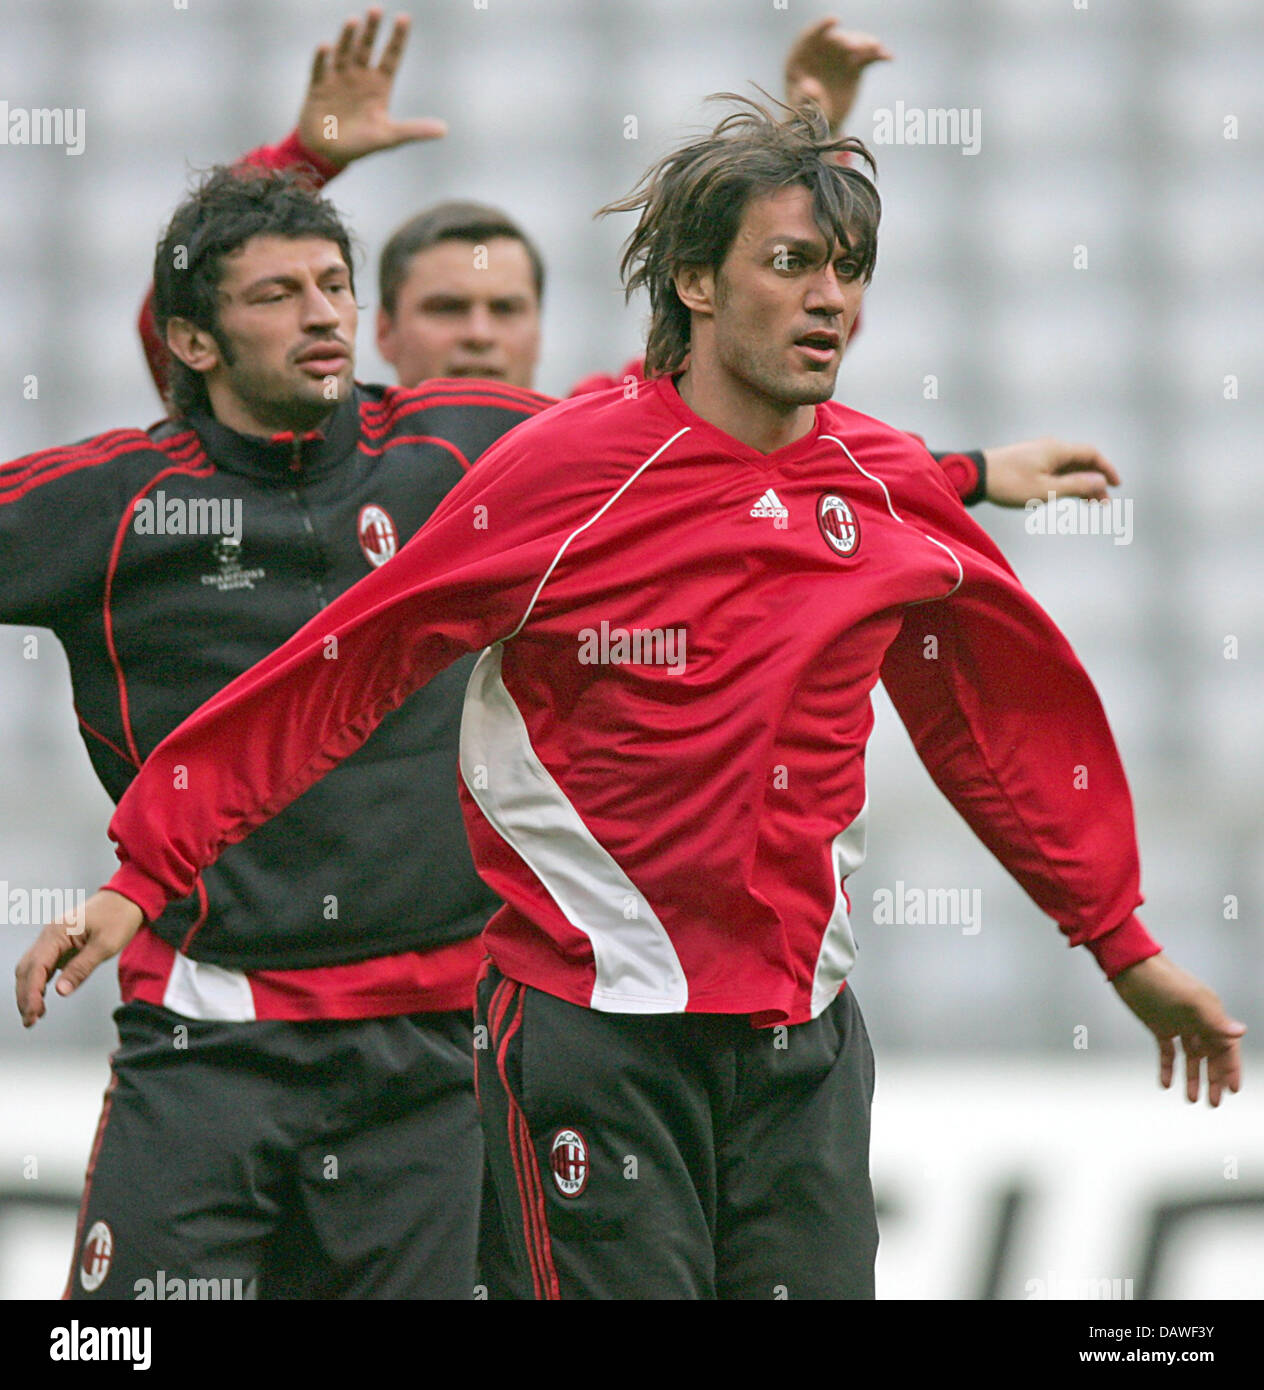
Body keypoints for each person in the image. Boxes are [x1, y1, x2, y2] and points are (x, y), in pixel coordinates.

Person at [17, 98, 1244, 1300]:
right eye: (793, 263)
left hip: (802, 1045)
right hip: (590, 1035)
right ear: (699, 284)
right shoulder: (564, 472)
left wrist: (1119, 941)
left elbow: (995, 719)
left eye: (851, 269)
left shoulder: (880, 485)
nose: (832, 297)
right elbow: (355, 657)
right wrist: (146, 866)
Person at [5, 166, 550, 1299]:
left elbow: (691, 454)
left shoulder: (454, 452)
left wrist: (963, 476)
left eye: (335, 285)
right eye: (276, 294)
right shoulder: (113, 506)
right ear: (192, 342)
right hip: (208, 1042)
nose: (320, 313)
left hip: (437, 1052)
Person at [136, 8, 1120, 513]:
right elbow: (181, 327)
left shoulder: (590, 445)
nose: (480, 330)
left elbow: (767, 372)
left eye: (506, 308)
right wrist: (304, 164)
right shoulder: (313, 455)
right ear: (379, 329)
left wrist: (975, 470)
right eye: (445, 309)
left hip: (512, 896)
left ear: (538, 327)